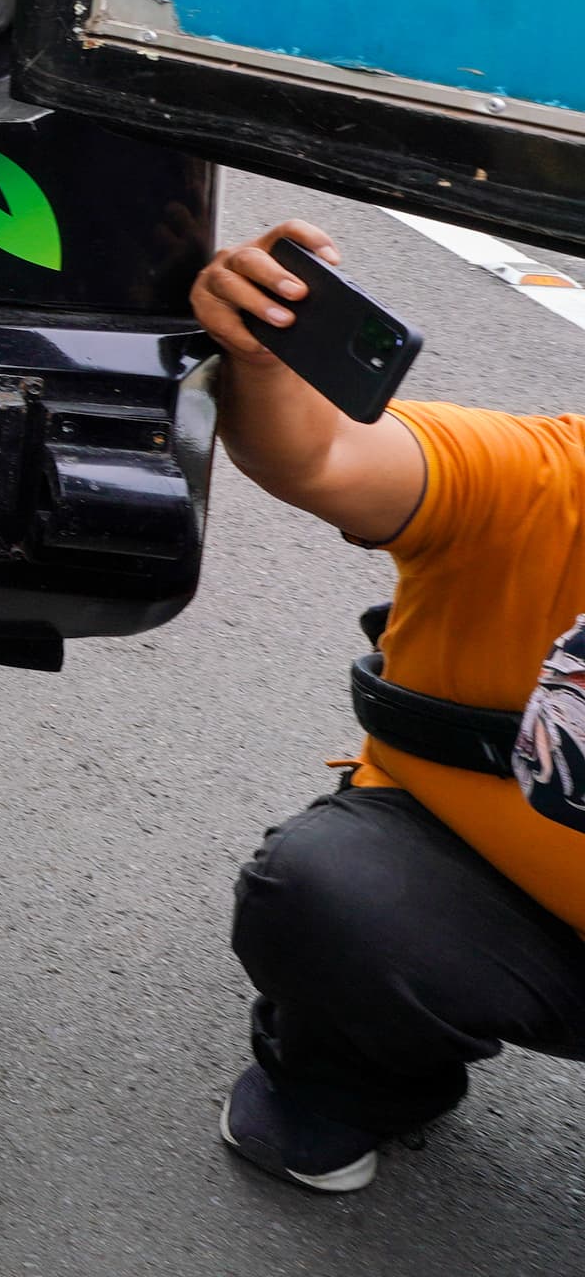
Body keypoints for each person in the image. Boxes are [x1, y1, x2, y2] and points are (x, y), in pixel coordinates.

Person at [190, 220, 585, 1192]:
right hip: (499, 896)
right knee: (337, 895)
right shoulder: (552, 483)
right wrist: (265, 351)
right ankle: (342, 1081)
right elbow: (326, 458)